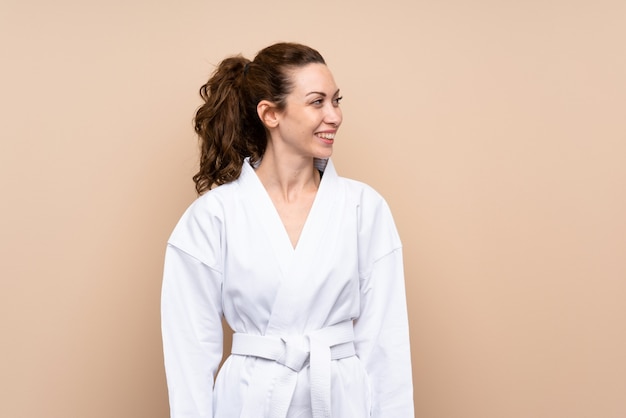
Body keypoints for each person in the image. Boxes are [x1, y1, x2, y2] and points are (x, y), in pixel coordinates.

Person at [161, 42, 414, 418]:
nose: (335, 115)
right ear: (270, 114)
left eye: (336, 100)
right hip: (248, 402)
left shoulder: (365, 209)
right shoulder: (212, 217)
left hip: (340, 401)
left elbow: (386, 347)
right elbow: (189, 357)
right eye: (317, 102)